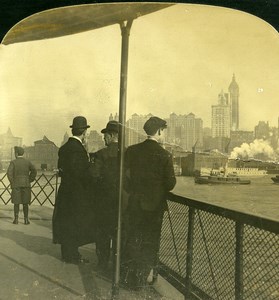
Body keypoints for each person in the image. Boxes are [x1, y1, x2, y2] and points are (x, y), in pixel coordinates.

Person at [122, 116, 176, 290]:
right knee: (150, 242)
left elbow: (124, 178)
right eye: (164, 130)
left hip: (135, 203)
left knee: (133, 238)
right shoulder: (165, 155)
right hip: (154, 207)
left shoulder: (132, 151)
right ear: (159, 131)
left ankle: (129, 277)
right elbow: (170, 184)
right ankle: (140, 280)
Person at [52, 116, 96, 264]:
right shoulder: (79, 150)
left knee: (66, 221)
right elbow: (82, 173)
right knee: (75, 222)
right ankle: (73, 255)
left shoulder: (64, 148)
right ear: (84, 133)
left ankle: (67, 253)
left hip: (65, 191)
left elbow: (62, 169)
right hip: (77, 192)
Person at [90, 120, 120, 271]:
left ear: (111, 135)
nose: (104, 139)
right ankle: (117, 265)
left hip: (104, 202)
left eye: (105, 135)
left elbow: (94, 177)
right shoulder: (127, 153)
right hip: (122, 203)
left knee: (102, 234)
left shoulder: (101, 154)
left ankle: (102, 264)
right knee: (119, 233)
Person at [7, 146, 37, 225]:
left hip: (16, 184)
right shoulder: (28, 162)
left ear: (16, 154)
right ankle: (26, 220)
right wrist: (30, 179)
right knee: (25, 203)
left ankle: (16, 220)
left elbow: (9, 173)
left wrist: (12, 182)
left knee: (16, 202)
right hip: (26, 184)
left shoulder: (13, 162)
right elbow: (34, 171)